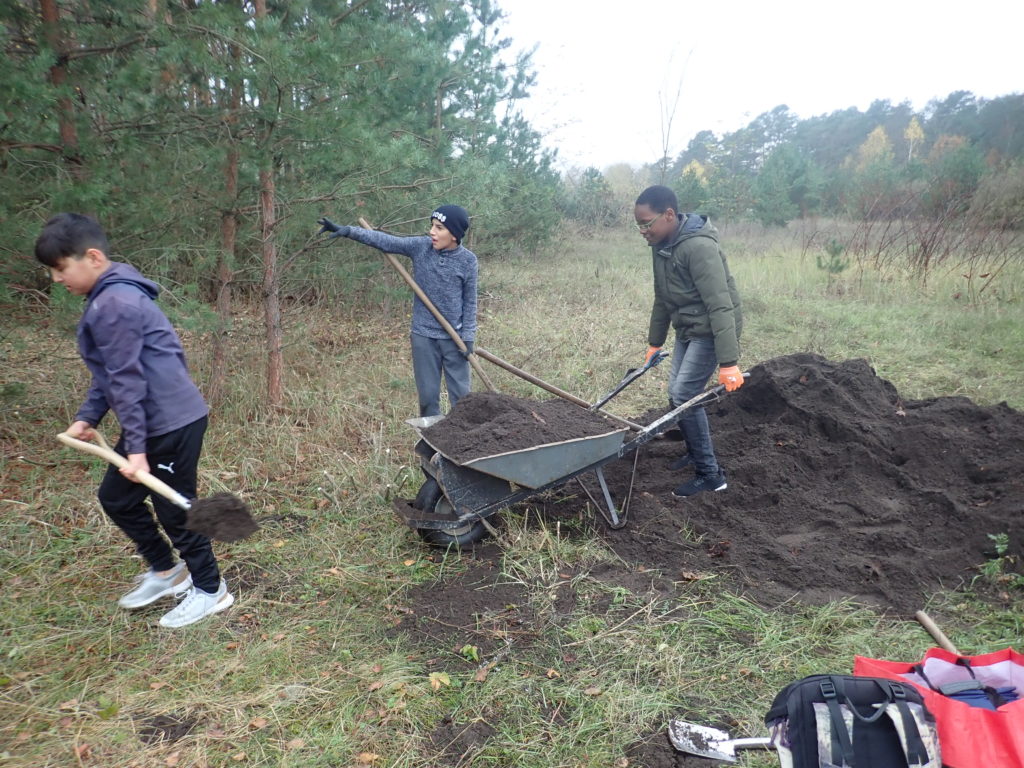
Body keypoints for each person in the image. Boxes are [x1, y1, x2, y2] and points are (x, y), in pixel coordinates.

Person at [35, 213, 233, 628]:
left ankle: (211, 590)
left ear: (92, 257)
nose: (56, 278)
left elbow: (127, 381)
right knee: (117, 498)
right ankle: (167, 571)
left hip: (171, 423)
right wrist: (88, 417)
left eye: (60, 267)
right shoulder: (110, 296)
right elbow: (111, 373)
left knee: (175, 509)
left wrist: (137, 451)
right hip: (154, 420)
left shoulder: (116, 303)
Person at [634, 185, 745, 498]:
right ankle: (696, 451)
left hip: (712, 329)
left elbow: (720, 305)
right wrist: (655, 343)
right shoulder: (661, 244)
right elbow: (662, 297)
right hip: (688, 326)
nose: (643, 231)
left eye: (647, 223)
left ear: (669, 214)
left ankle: (711, 475)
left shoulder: (699, 248)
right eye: (638, 225)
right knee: (676, 394)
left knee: (685, 395)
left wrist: (729, 363)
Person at [317, 205, 478, 417]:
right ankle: (431, 437)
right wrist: (348, 231)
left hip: (454, 338)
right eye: (432, 226)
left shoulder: (468, 261)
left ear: (455, 234)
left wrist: (468, 337)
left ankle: (464, 437)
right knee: (428, 399)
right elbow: (385, 240)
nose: (432, 232)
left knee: (462, 400)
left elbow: (470, 302)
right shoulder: (421, 247)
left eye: (439, 228)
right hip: (423, 336)